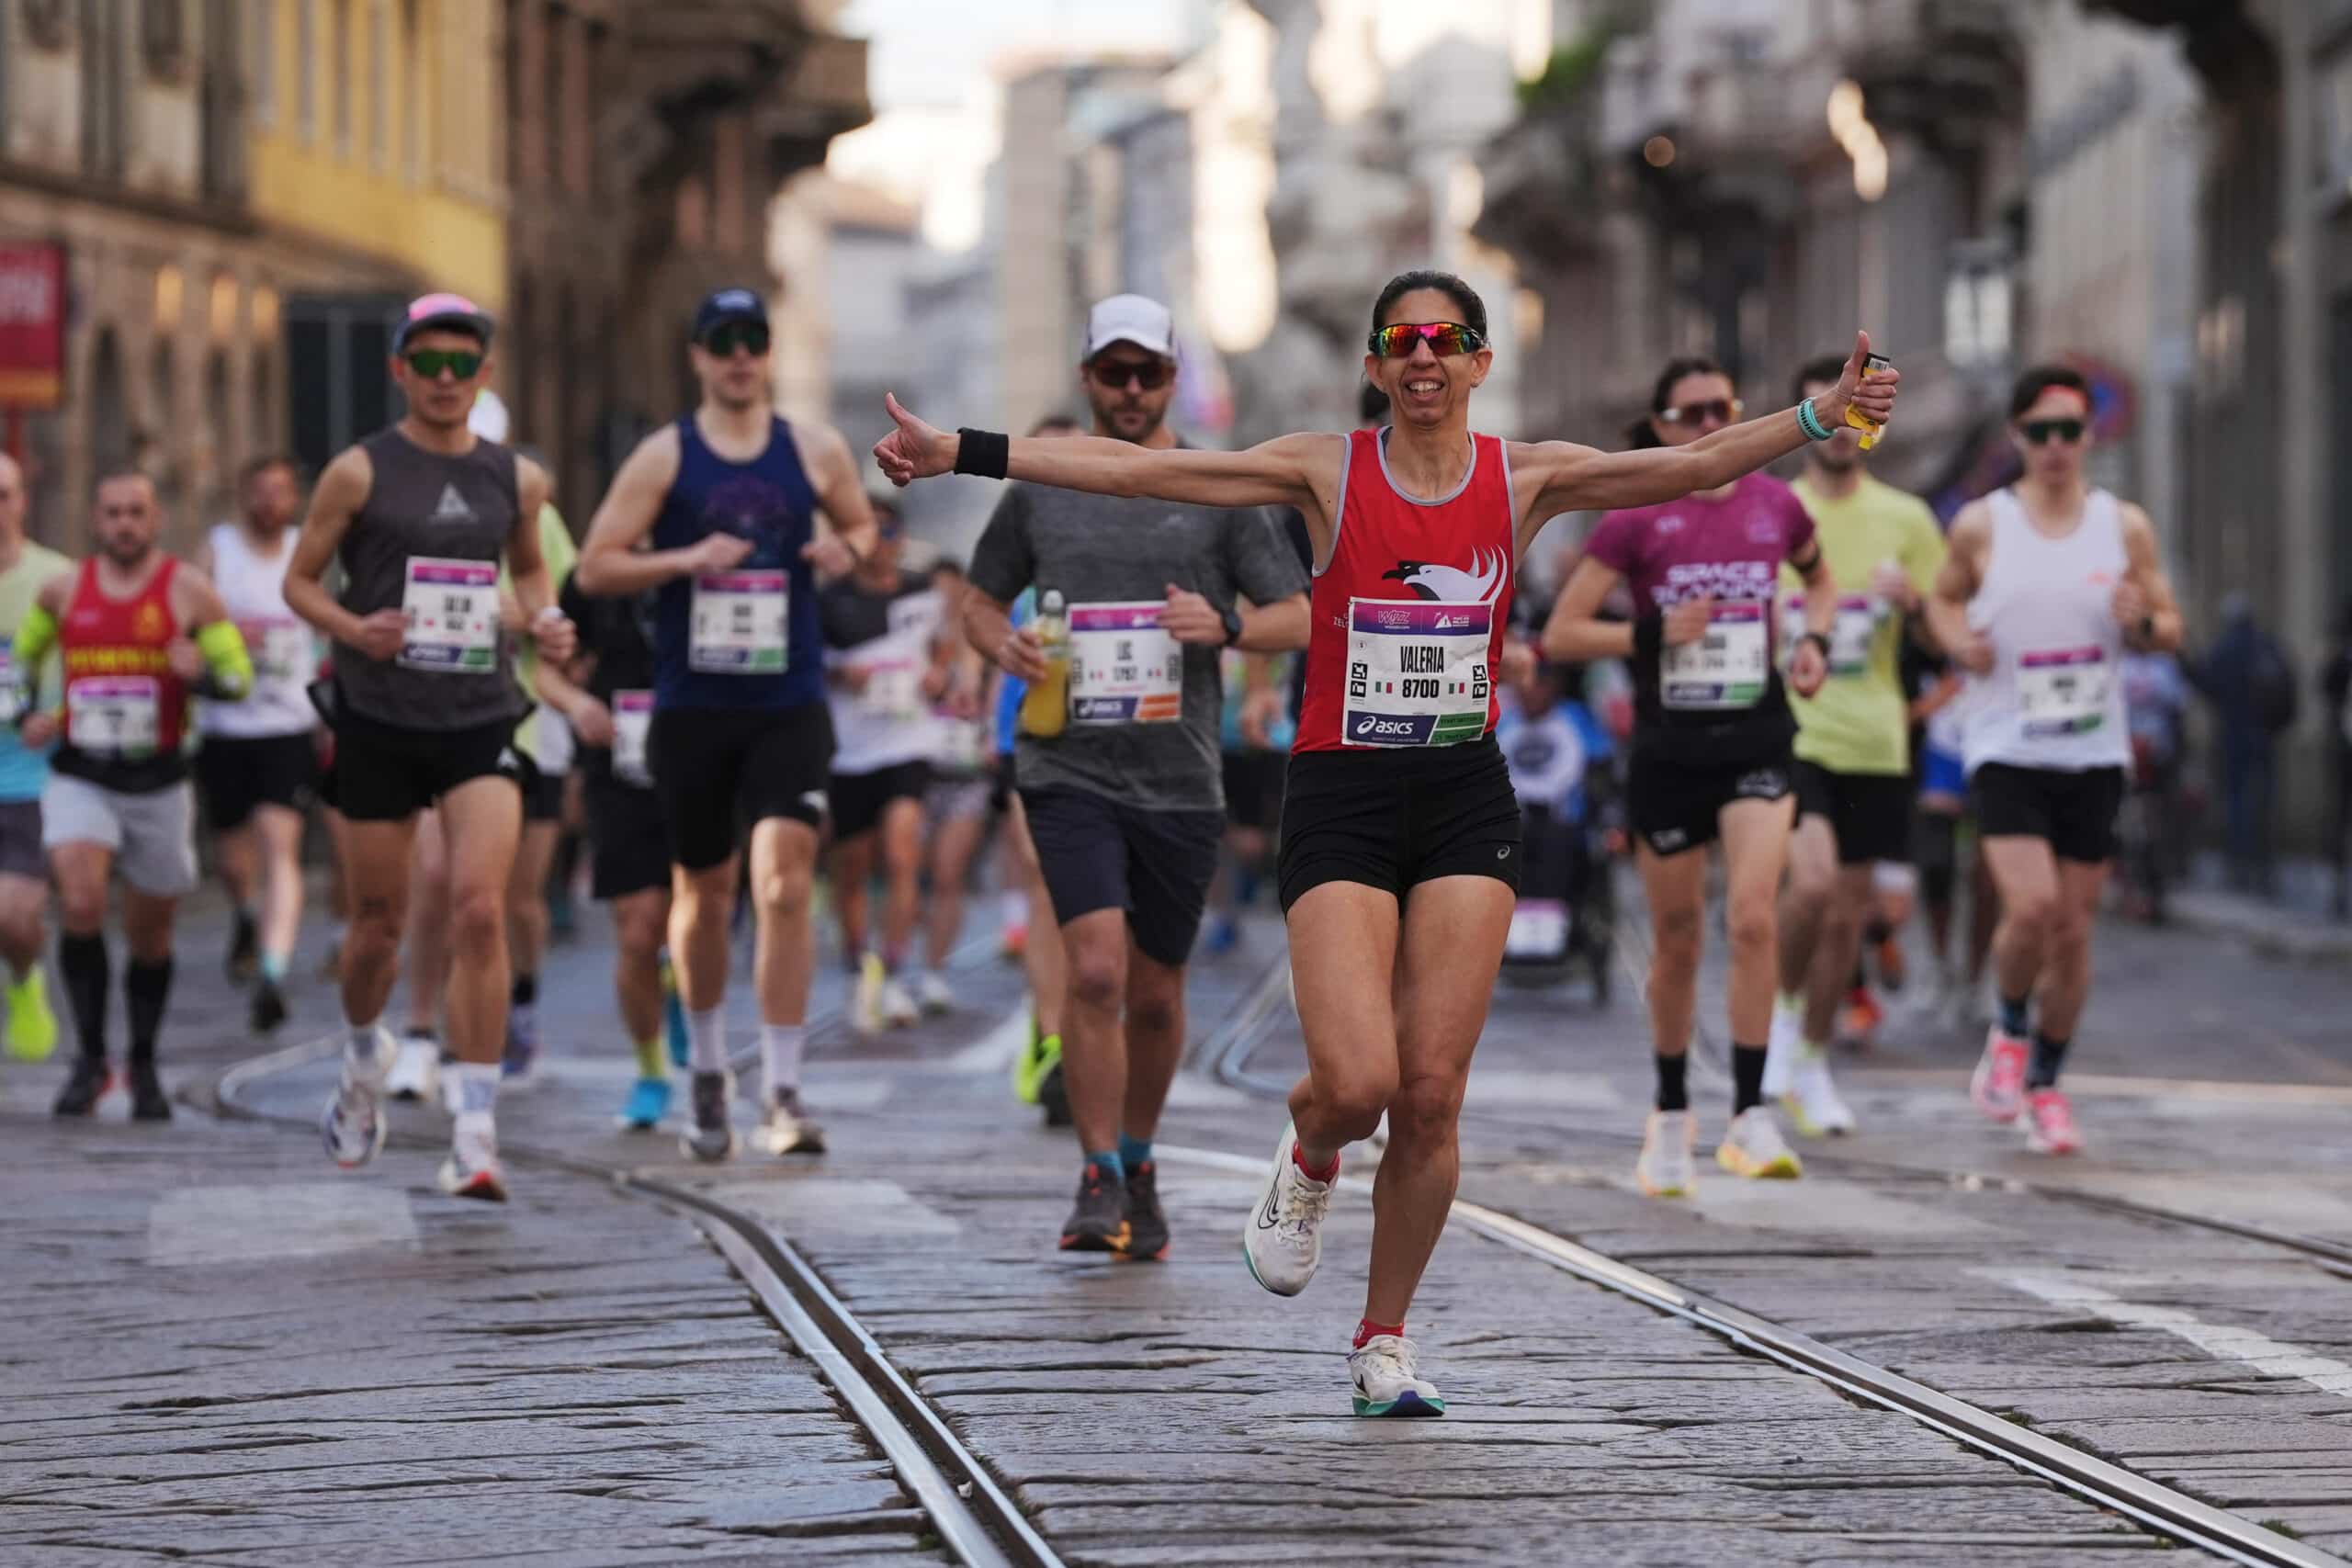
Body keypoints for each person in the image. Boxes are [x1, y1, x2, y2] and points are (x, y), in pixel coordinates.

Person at [876, 269, 1896, 1416]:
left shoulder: (1527, 477)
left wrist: (1822, 416)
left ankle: (1383, 1339)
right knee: (1354, 1082)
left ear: (1477, 361)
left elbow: (1691, 465)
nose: (1423, 357)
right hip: (1344, 798)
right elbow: (1146, 467)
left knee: (1429, 1094)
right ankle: (1309, 1155)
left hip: (1464, 796)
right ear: (1375, 365)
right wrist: (961, 449)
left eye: (1446, 338)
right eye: (1400, 341)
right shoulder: (1324, 469)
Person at [952, 293, 1310, 1260]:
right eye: (1112, 373)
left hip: (1180, 778)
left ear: (1171, 379)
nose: (1129, 390)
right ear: (1087, 381)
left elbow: (1302, 614)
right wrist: (1005, 645)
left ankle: (1141, 1164)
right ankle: (1096, 1170)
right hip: (1065, 766)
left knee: (1155, 990)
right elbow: (977, 604)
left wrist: (1227, 628)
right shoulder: (1037, 490)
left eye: (1146, 372)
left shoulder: (1215, 485)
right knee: (1097, 968)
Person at [576, 287, 875, 1162]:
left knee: (784, 882)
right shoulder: (664, 456)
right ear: (699, 356)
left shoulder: (813, 448)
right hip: (694, 706)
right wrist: (684, 559)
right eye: (723, 342)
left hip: (788, 700)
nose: (740, 356)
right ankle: (707, 1072)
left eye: (754, 341)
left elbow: (862, 524)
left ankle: (783, 1087)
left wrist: (842, 550)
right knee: (701, 897)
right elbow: (596, 566)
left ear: (769, 353)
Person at [288, 292, 574, 1200]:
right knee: (378, 926)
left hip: (481, 713)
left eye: (464, 366)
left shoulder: (515, 477)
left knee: (482, 910)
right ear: (401, 370)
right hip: (377, 715)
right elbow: (301, 584)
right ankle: (364, 1059)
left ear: (484, 374)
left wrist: (548, 620)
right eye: (430, 365)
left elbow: (529, 570)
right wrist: (353, 627)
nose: (447, 380)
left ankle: (476, 1132)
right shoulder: (357, 473)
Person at [1544, 355, 1838, 1198]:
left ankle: (1749, 1112)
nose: (1714, 425)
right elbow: (1565, 632)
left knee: (1753, 916)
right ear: (1663, 427)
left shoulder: (1777, 504)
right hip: (1669, 752)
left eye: (1726, 408)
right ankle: (1670, 1113)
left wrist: (1813, 642)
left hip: (1756, 739)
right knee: (1677, 939)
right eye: (1695, 413)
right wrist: (1651, 632)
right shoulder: (1635, 515)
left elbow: (1821, 584)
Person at [1926, 365, 2183, 1156]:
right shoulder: (1982, 523)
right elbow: (1940, 596)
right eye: (2039, 431)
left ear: (2089, 436)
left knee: (2072, 933)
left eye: (2069, 430)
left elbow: (2169, 625)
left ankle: (2046, 1082)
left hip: (2092, 750)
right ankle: (2006, 1028)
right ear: (2016, 439)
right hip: (2005, 743)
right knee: (2030, 908)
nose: (2055, 446)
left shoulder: (2123, 524)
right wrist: (1955, 640)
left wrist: (2142, 622)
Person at [17, 469, 254, 1118]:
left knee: (153, 932)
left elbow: (238, 676)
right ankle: (90, 1058)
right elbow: (17, 663)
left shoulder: (189, 591)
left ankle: (143, 1060)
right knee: (83, 897)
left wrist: (201, 670)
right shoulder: (63, 590)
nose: (125, 523)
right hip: (80, 770)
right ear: (97, 521)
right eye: (114, 512)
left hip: (158, 780)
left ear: (155, 520)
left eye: (137, 512)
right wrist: (24, 717)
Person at [1762, 355, 1945, 1134]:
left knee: (1846, 915)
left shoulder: (1907, 518)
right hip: (1795, 730)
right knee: (1808, 886)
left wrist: (1920, 602)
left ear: (1870, 421)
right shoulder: (1774, 512)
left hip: (1877, 735)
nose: (1839, 431)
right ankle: (1779, 1013)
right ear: (1809, 422)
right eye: (1824, 415)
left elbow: (1946, 631)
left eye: (1850, 416)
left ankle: (1810, 1056)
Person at [556, 542, 681, 1127]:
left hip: (704, 758)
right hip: (619, 767)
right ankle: (651, 1069)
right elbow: (543, 661)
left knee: (690, 923)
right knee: (636, 930)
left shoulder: (717, 557)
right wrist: (578, 703)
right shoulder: (590, 580)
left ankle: (682, 988)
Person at [819, 501, 956, 1032]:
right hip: (850, 749)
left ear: (901, 537)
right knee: (851, 865)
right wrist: (840, 674)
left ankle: (895, 971)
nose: (879, 541)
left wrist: (939, 677)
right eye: (867, 531)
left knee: (902, 853)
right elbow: (808, 661)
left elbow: (946, 650)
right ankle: (859, 969)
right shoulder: (828, 600)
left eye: (889, 530)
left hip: (908, 740)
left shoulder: (922, 592)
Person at [194, 455, 318, 1033]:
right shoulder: (218, 550)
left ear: (294, 498)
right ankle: (245, 915)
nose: (271, 502)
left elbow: (328, 622)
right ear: (244, 495)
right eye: (261, 491)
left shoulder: (306, 550)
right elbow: (187, 621)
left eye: (282, 491)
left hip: (287, 725)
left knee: (280, 848)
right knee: (233, 858)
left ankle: (272, 970)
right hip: (225, 725)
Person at [0, 452, 66, 1062]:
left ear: (23, 499)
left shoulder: (57, 579)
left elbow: (94, 665)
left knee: (15, 917)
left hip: (26, 775)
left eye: (3, 494)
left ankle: (22, 978)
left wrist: (60, 716)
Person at [915, 557, 991, 1013]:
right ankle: (890, 963)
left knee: (947, 874)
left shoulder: (982, 642)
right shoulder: (911, 643)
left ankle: (935, 971)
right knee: (908, 872)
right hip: (917, 772)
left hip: (966, 775)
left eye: (952, 590)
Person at [2187, 594, 2295, 897]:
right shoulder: (2268, 646)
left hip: (2233, 736)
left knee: (2236, 801)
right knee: (2263, 799)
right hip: (2265, 737)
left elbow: (2205, 684)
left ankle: (2240, 864)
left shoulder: (2224, 650)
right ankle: (2264, 864)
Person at [2324, 600, 2352, 920]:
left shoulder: (2339, 663)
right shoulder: (2340, 664)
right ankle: (2338, 888)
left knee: (2339, 819)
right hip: (2344, 751)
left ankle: (2339, 889)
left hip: (2343, 751)